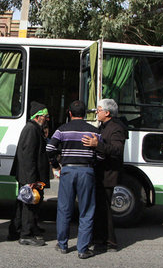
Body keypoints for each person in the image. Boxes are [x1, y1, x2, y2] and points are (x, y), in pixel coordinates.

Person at [46, 100, 99, 259]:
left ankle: (62, 244)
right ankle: (83, 249)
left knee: (64, 208)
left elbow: (50, 148)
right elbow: (101, 154)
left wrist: (56, 165)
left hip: (68, 170)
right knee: (87, 210)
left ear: (69, 113)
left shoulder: (62, 130)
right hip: (86, 171)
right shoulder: (94, 131)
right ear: (85, 114)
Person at [82, 98, 128, 253]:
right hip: (100, 172)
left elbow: (117, 150)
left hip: (108, 174)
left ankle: (108, 241)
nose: (96, 112)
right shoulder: (103, 126)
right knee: (100, 207)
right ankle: (100, 238)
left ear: (107, 113)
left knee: (104, 208)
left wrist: (97, 145)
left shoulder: (116, 128)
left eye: (99, 109)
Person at [8, 101, 50, 246]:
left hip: (29, 175)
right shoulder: (32, 129)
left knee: (23, 202)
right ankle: (26, 234)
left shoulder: (33, 128)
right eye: (45, 116)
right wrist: (31, 179)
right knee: (29, 204)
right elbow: (28, 156)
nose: (47, 119)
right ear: (38, 117)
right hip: (30, 175)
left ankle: (17, 230)